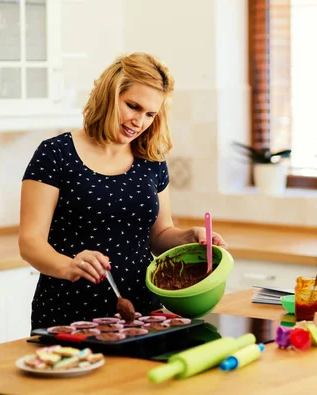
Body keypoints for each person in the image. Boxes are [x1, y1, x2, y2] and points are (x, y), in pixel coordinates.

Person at [18, 52, 227, 330]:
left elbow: (160, 235)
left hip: (143, 314)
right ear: (109, 94)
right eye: (133, 106)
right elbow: (30, 242)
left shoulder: (151, 159)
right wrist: (68, 266)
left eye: (150, 114)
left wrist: (191, 237)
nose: (139, 122)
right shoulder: (55, 154)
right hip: (69, 315)